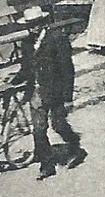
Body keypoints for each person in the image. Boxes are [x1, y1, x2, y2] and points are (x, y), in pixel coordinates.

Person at [23, 17, 85, 181]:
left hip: (55, 90)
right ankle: (47, 165)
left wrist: (67, 98)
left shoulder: (56, 39)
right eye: (29, 25)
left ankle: (74, 147)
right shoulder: (27, 43)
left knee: (59, 125)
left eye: (35, 24)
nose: (32, 28)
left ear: (42, 23)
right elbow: (25, 69)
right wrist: (10, 83)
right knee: (38, 129)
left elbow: (67, 69)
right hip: (36, 92)